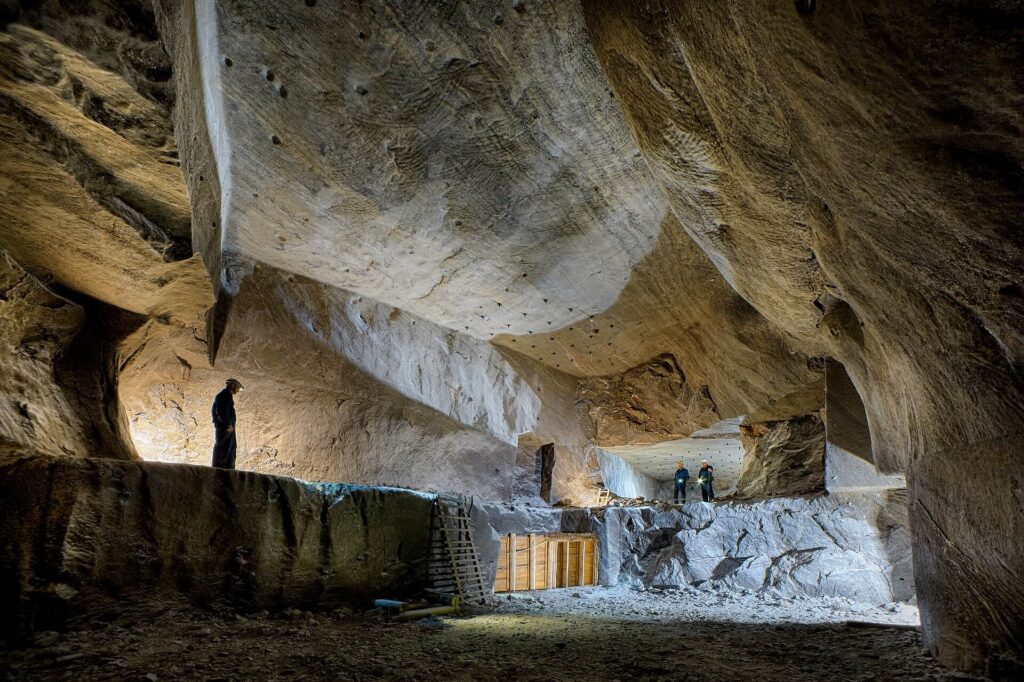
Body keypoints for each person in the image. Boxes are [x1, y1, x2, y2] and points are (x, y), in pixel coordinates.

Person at [211, 378, 243, 469]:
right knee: (223, 447)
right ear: (232, 386)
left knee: (229, 447)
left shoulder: (225, 396)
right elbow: (219, 410)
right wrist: (227, 424)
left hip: (227, 427)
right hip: (225, 427)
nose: (237, 391)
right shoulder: (224, 395)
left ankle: (226, 468)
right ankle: (221, 468)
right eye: (237, 388)